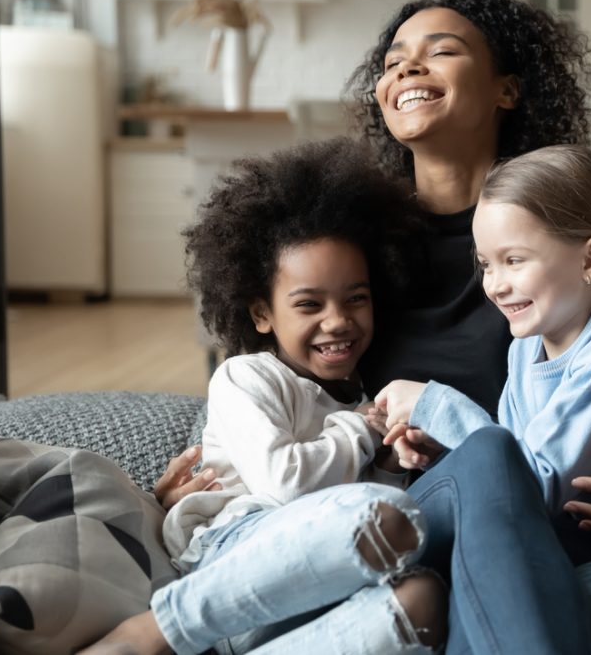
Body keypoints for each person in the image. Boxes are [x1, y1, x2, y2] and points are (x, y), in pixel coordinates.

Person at [158, 0, 591, 654]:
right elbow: (287, 379)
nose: (406, 68)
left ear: (507, 92)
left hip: (563, 531)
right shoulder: (355, 247)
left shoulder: (577, 230)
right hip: (443, 527)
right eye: (393, 60)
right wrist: (214, 488)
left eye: (442, 51)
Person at [85, 140, 446, 655]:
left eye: (356, 299)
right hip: (235, 556)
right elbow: (288, 486)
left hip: (309, 589)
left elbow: (348, 497)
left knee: (424, 597)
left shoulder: (362, 397)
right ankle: (146, 636)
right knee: (384, 514)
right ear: (261, 314)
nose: (338, 320)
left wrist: (386, 459)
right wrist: (360, 431)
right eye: (309, 304)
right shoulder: (247, 378)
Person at [369, 145, 591, 568]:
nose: (495, 285)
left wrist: (437, 404)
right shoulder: (524, 349)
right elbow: (518, 455)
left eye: (514, 260)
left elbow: (533, 485)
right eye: (486, 265)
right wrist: (442, 446)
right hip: (565, 539)